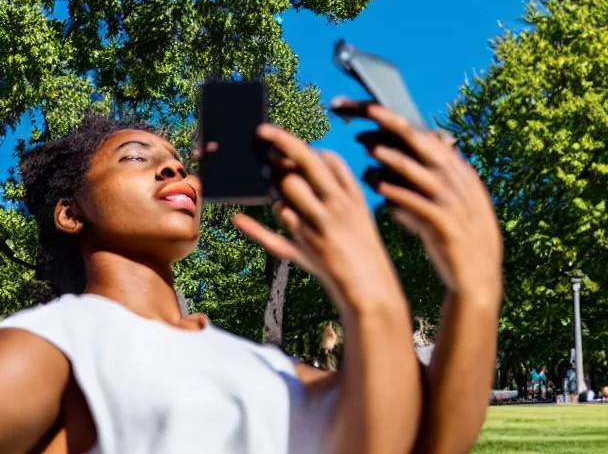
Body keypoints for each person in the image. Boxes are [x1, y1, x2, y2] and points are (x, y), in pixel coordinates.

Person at [0, 99, 503, 454]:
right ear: (70, 213)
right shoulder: (56, 343)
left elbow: (425, 439)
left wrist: (476, 286)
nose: (176, 172)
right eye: (136, 156)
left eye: (180, 164)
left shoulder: (267, 367)